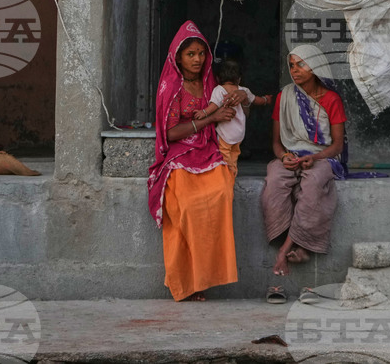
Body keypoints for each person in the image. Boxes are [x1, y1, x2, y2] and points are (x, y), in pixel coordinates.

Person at [146, 20, 249, 301]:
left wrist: (242, 96)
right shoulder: (171, 86)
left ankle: (205, 277)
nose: (197, 59)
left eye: (202, 53)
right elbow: (170, 132)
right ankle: (187, 283)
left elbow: (237, 104)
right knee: (187, 206)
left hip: (207, 149)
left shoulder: (210, 83)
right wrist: (210, 120)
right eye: (190, 54)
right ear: (178, 57)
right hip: (179, 153)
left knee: (221, 191)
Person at [261, 45, 348, 278]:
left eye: (301, 64)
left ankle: (286, 249)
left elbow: (337, 146)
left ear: (316, 66)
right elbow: (277, 143)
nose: (295, 70)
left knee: (312, 186)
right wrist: (284, 157)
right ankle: (295, 243)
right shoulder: (284, 96)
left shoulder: (332, 99)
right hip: (291, 155)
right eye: (292, 65)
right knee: (274, 181)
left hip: (323, 156)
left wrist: (314, 157)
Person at [195, 57, 273, 179]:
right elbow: (256, 100)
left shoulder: (219, 90)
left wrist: (203, 112)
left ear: (218, 78)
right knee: (235, 153)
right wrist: (266, 100)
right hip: (239, 133)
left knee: (224, 154)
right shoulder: (244, 90)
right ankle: (233, 170)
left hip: (225, 133)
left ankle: (228, 174)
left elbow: (213, 106)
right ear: (239, 79)